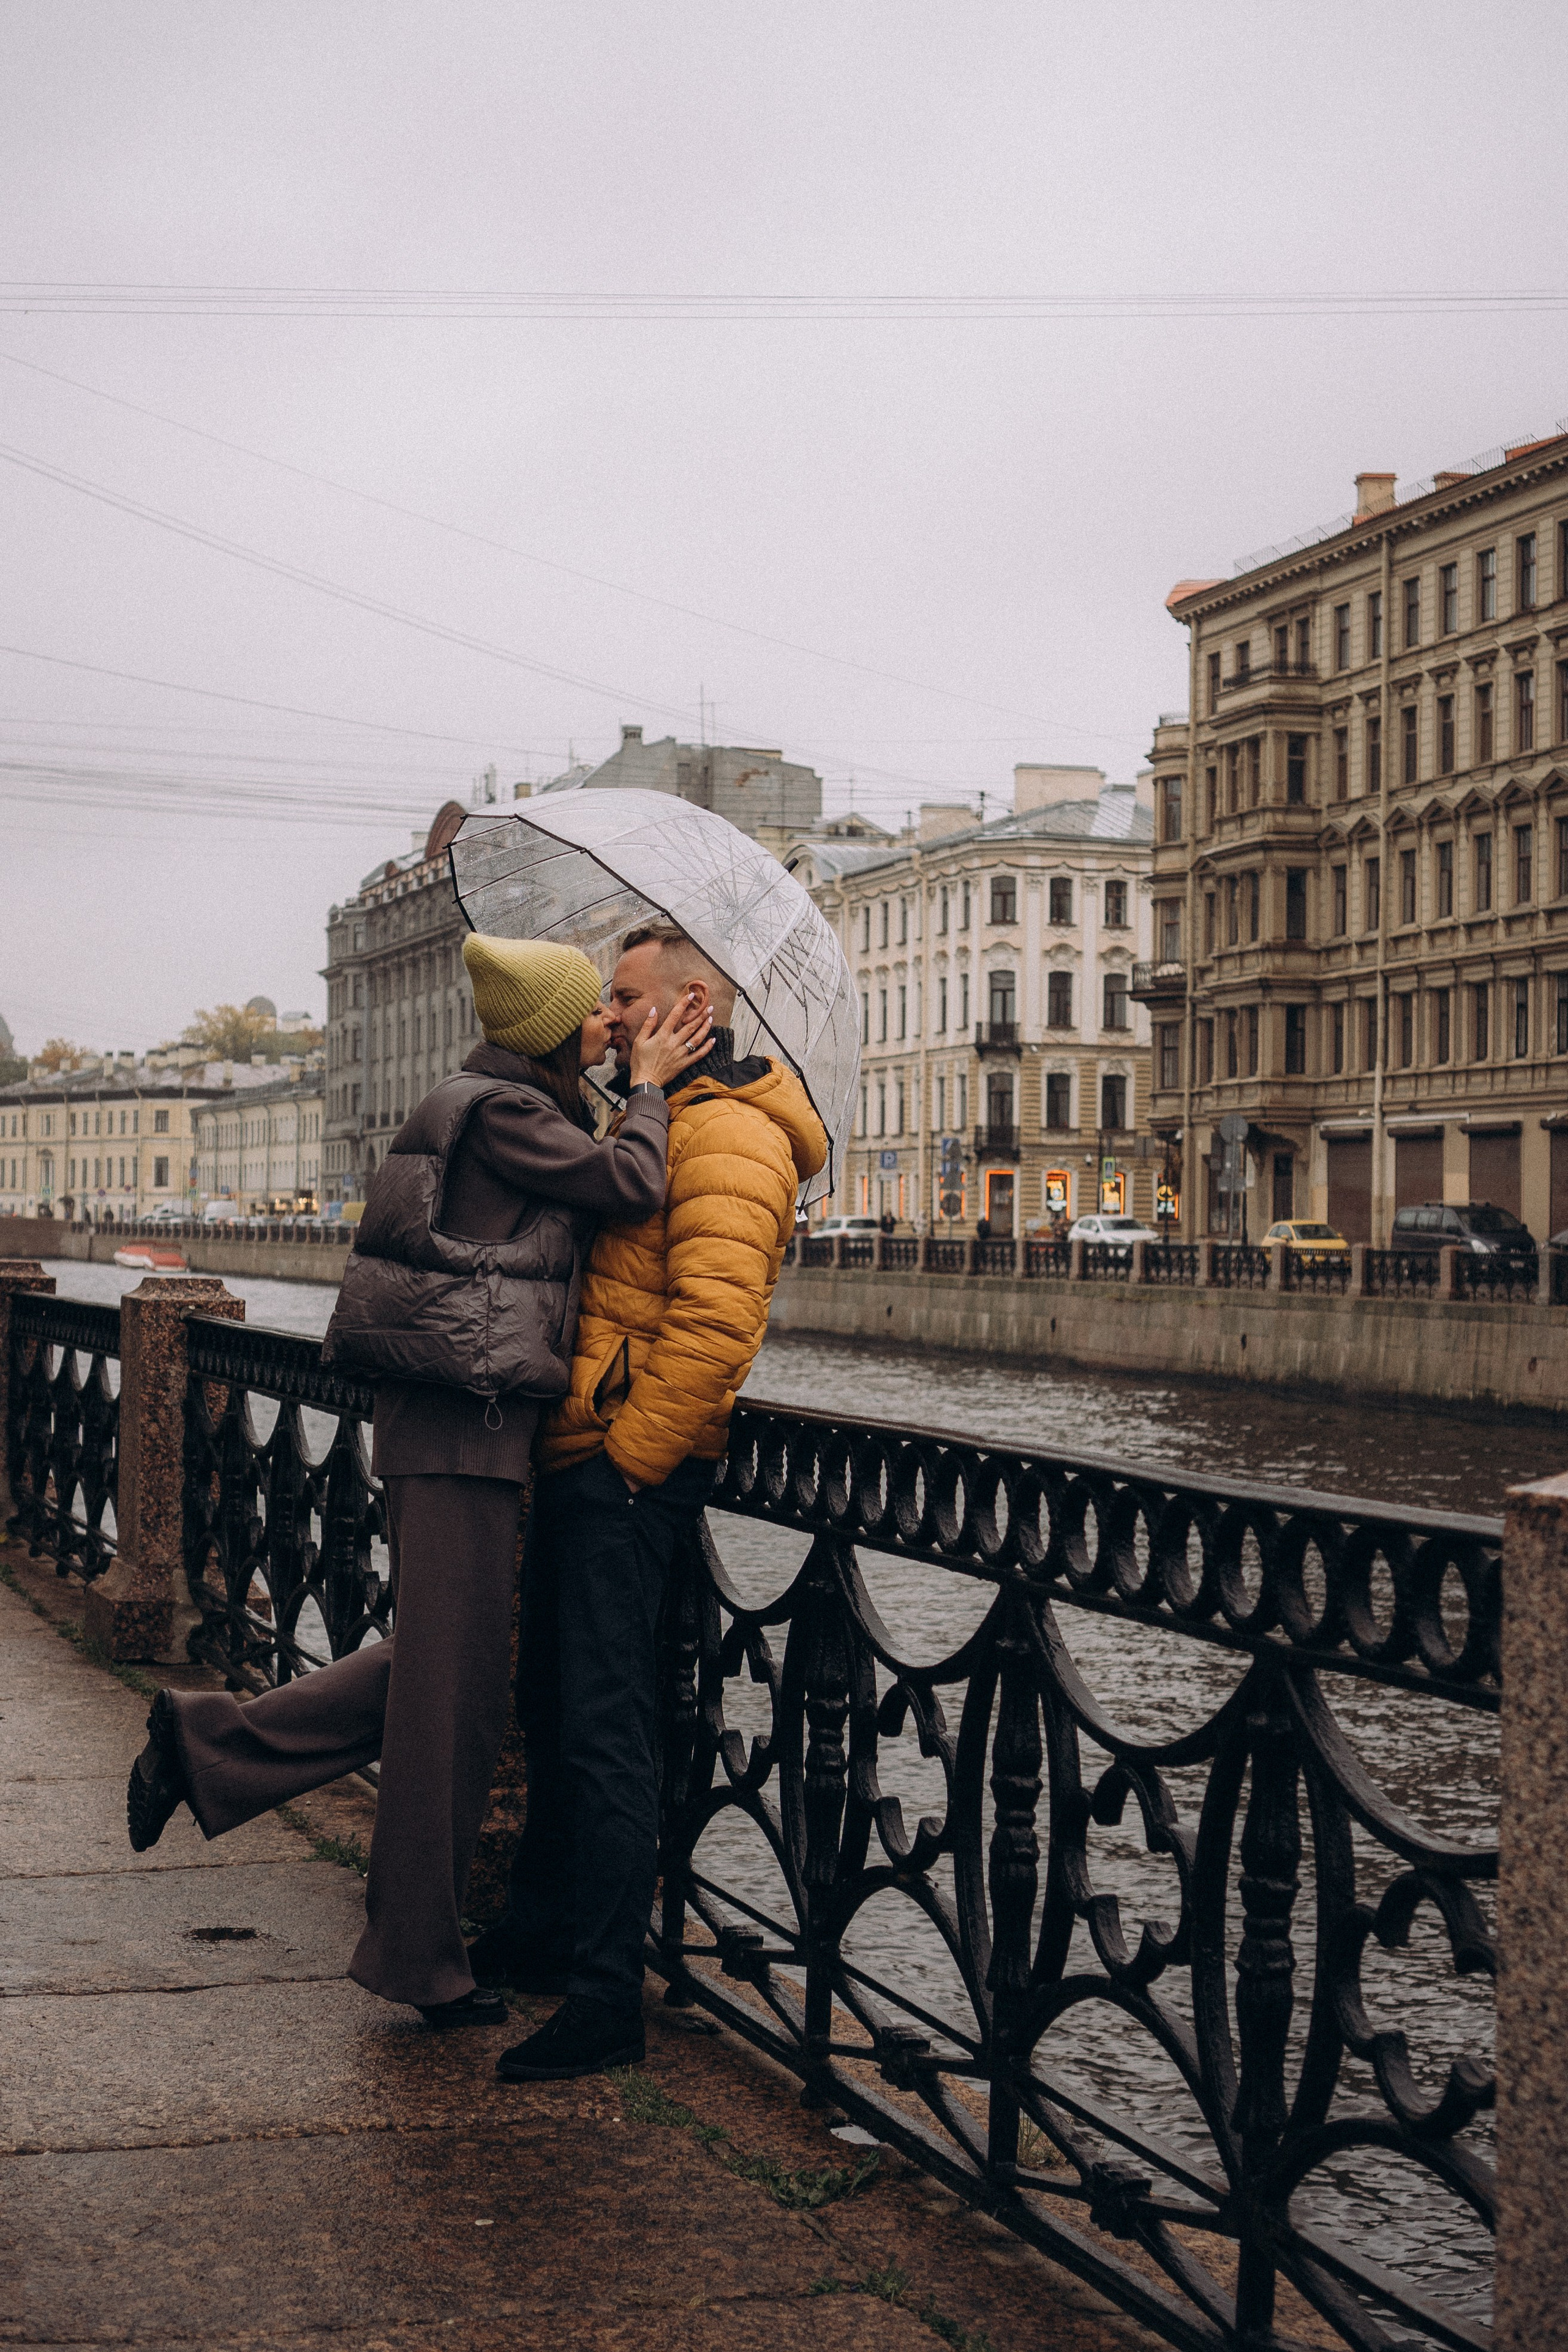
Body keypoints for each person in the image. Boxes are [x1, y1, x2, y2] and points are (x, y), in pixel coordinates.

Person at [124, 931, 712, 2029]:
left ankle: (205, 1747)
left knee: (450, 1672)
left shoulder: (492, 1103)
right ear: (551, 1030)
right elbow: (633, 1184)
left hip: (464, 1423)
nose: (610, 1023)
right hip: (460, 1424)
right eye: (593, 1010)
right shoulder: (505, 1114)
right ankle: (417, 1959)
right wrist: (648, 1090)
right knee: (455, 1698)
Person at [471, 919, 828, 2083]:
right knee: (556, 1709)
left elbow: (716, 1329)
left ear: (691, 1008)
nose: (607, 1016)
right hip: (586, 1452)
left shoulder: (734, 1135)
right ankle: (541, 1934)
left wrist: (628, 1463)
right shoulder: (666, 1114)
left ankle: (604, 1998)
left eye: (624, 997)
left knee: (607, 1731)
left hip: (626, 1474)